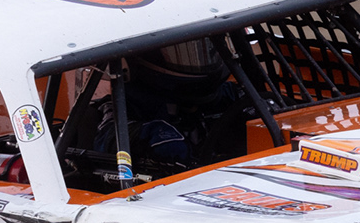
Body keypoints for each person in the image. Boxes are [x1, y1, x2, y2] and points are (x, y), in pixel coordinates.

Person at [93, 39, 250, 172]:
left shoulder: (226, 94)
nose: (200, 60)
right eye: (183, 53)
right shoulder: (123, 105)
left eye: (204, 49)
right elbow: (106, 137)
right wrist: (149, 135)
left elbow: (256, 104)